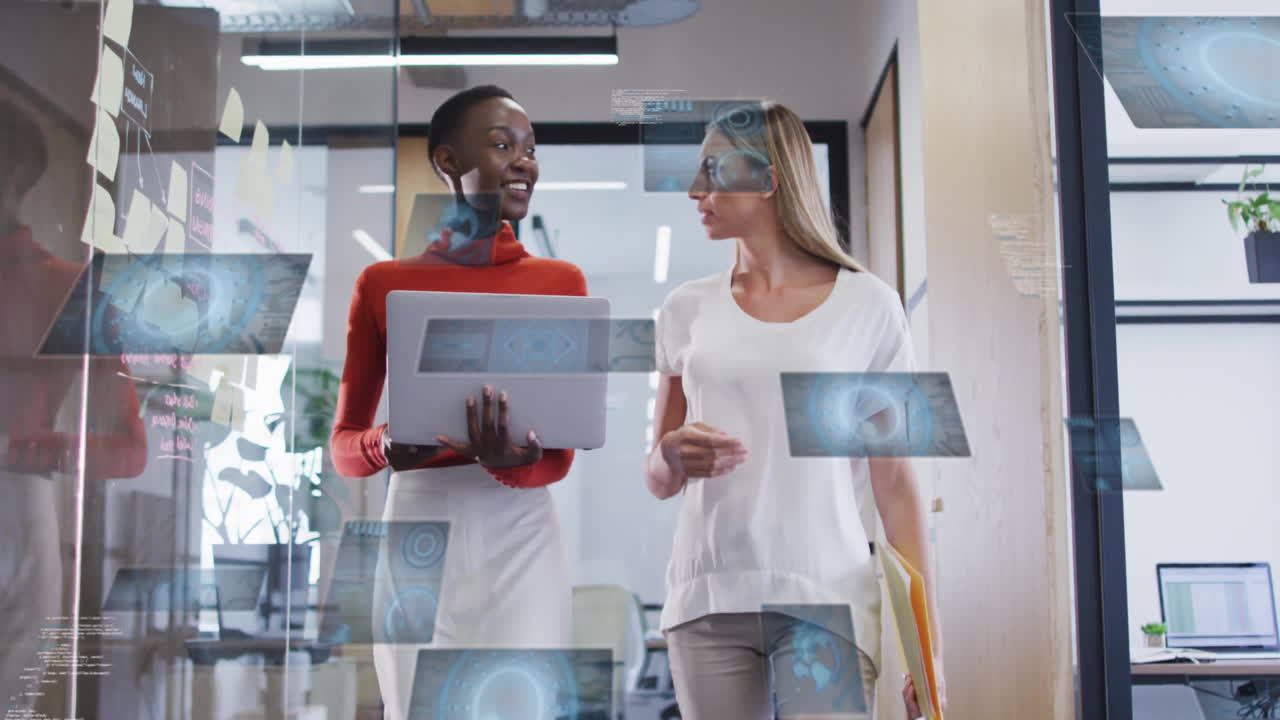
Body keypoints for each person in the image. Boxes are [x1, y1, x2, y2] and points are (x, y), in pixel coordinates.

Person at [644, 100, 946, 719]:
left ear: (767, 178)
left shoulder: (870, 305)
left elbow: (895, 485)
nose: (695, 190)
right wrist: (671, 453)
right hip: (707, 598)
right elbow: (658, 478)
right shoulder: (684, 308)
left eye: (713, 170)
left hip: (827, 599)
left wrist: (928, 648)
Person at [329, 85, 587, 720]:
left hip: (520, 527)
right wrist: (385, 446)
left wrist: (511, 462)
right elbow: (344, 449)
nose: (524, 163)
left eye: (531, 150)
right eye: (503, 145)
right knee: (417, 706)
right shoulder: (383, 284)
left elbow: (559, 459)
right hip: (416, 523)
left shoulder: (561, 283)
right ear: (447, 161)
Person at [0, 99, 147, 715]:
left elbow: (131, 450)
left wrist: (24, 449)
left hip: (16, 502)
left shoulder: (69, 287)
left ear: (13, 171)